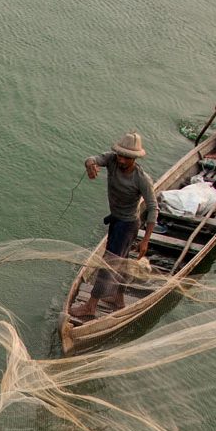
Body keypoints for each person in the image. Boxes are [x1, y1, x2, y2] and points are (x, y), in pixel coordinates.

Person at [69, 131, 157, 319]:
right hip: (116, 220)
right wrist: (90, 165)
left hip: (127, 225)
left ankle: (91, 306)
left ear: (134, 158)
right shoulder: (112, 160)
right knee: (122, 261)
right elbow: (92, 158)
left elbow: (153, 208)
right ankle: (118, 299)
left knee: (108, 263)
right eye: (120, 155)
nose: (122, 160)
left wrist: (146, 240)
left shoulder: (141, 179)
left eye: (127, 157)